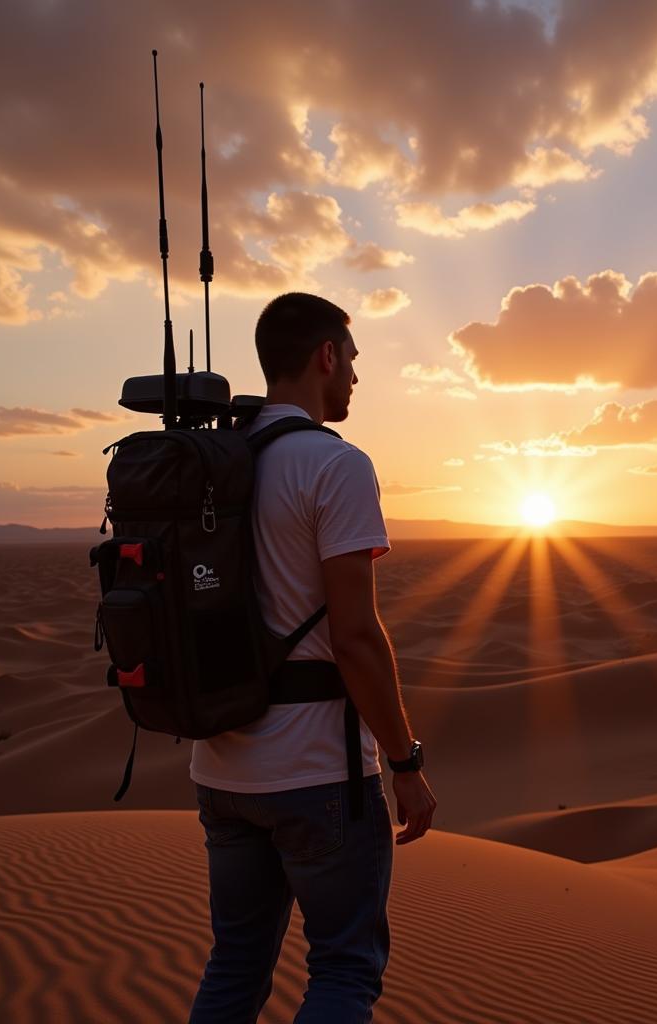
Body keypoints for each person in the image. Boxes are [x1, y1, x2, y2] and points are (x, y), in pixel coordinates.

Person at [188, 291, 437, 1023]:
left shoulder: (215, 465)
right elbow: (357, 637)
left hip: (221, 771)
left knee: (235, 963)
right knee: (344, 969)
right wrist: (406, 764)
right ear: (326, 356)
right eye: (353, 359)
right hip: (319, 776)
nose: (356, 377)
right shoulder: (336, 465)